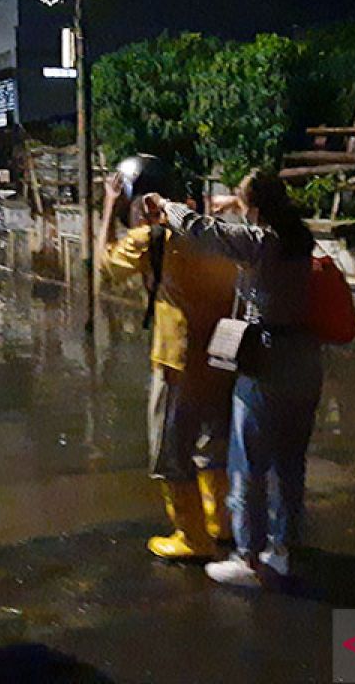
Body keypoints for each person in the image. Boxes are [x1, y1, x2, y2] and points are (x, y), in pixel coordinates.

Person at [143, 169, 322, 588]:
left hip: (266, 358)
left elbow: (202, 230)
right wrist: (237, 210)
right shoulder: (299, 237)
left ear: (256, 207)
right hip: (305, 358)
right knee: (289, 464)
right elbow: (243, 227)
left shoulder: (260, 243)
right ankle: (282, 551)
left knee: (248, 463)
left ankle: (247, 558)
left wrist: (166, 207)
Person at [99, 156, 238, 560]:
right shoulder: (213, 231)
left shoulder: (152, 240)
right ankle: (220, 521)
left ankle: (191, 537)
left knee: (169, 449)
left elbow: (107, 265)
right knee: (213, 440)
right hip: (221, 354)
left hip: (177, 359)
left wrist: (108, 209)